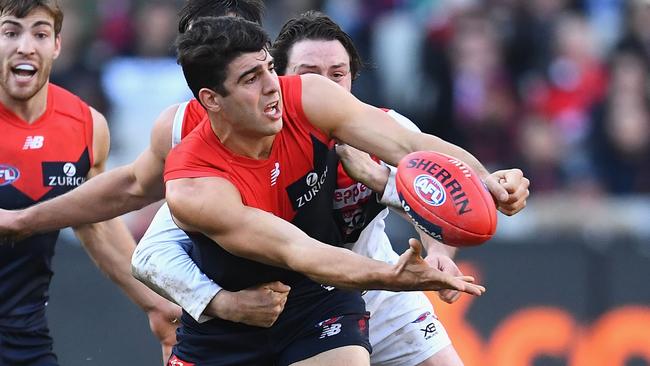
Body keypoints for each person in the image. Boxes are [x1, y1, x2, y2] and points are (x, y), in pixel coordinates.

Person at [133, 11, 507, 366]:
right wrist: (219, 302)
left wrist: (487, 181)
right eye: (251, 79)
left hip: (322, 297)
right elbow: (297, 250)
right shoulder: (194, 181)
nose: (271, 88)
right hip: (233, 324)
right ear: (211, 99)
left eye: (267, 69)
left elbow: (419, 154)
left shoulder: (312, 99)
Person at [0, 1, 180, 364]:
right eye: (10, 32)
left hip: (24, 342)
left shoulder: (85, 126)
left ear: (57, 45)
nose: (25, 46)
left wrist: (155, 303)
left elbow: (94, 220)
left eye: (39, 33)